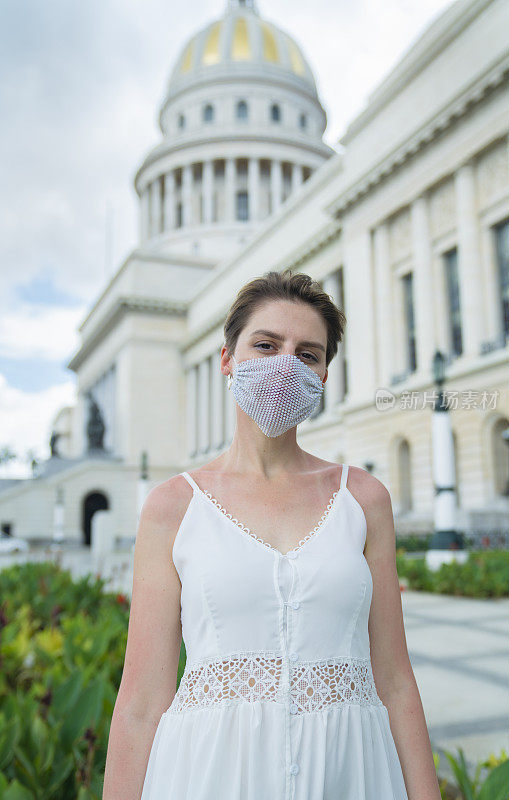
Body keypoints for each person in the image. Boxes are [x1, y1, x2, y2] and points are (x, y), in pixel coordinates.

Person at [103, 268, 441, 799]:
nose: (286, 364)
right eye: (266, 345)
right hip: (211, 774)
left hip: (349, 772)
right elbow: (143, 701)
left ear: (325, 376)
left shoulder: (364, 499)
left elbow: (395, 681)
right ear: (227, 359)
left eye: (308, 353)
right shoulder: (173, 506)